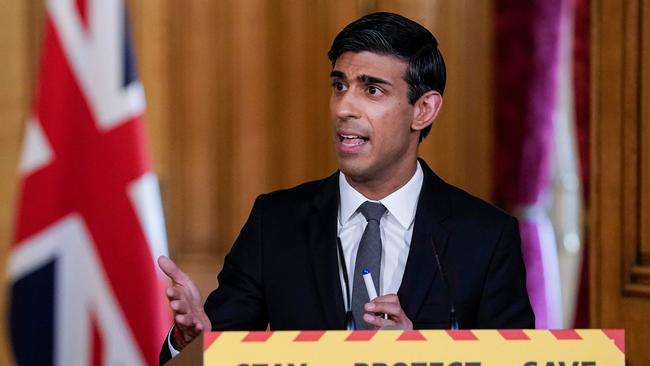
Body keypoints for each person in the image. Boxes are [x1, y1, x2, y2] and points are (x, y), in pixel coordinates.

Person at [158, 11, 534, 364]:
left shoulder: (485, 237)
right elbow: (216, 348)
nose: (344, 108)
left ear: (423, 110)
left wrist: (426, 355)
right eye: (340, 86)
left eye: (372, 90)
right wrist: (191, 343)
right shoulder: (275, 222)